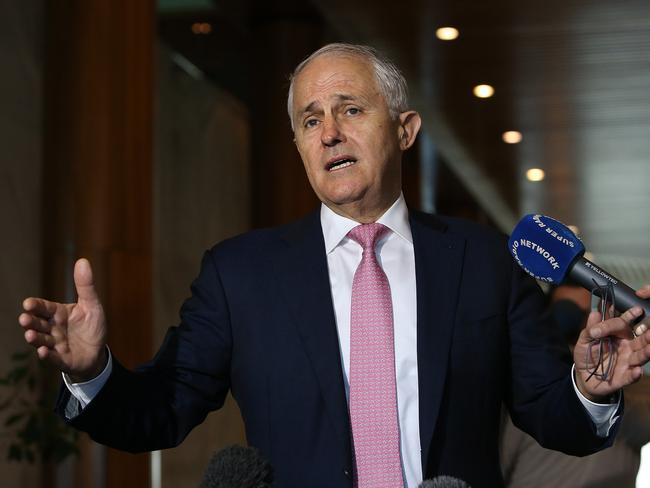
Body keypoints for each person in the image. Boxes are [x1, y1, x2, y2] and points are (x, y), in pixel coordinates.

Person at [17, 43, 650, 488]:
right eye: (309, 120)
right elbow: (161, 409)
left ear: (404, 129)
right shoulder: (240, 276)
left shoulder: (485, 261)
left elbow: (550, 414)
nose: (328, 134)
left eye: (350, 109)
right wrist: (95, 371)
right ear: (296, 144)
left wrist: (588, 393)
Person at [501, 283, 650, 488]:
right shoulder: (527, 385)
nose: (586, 324)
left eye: (590, 313)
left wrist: (599, 385)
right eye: (567, 312)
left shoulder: (631, 383)